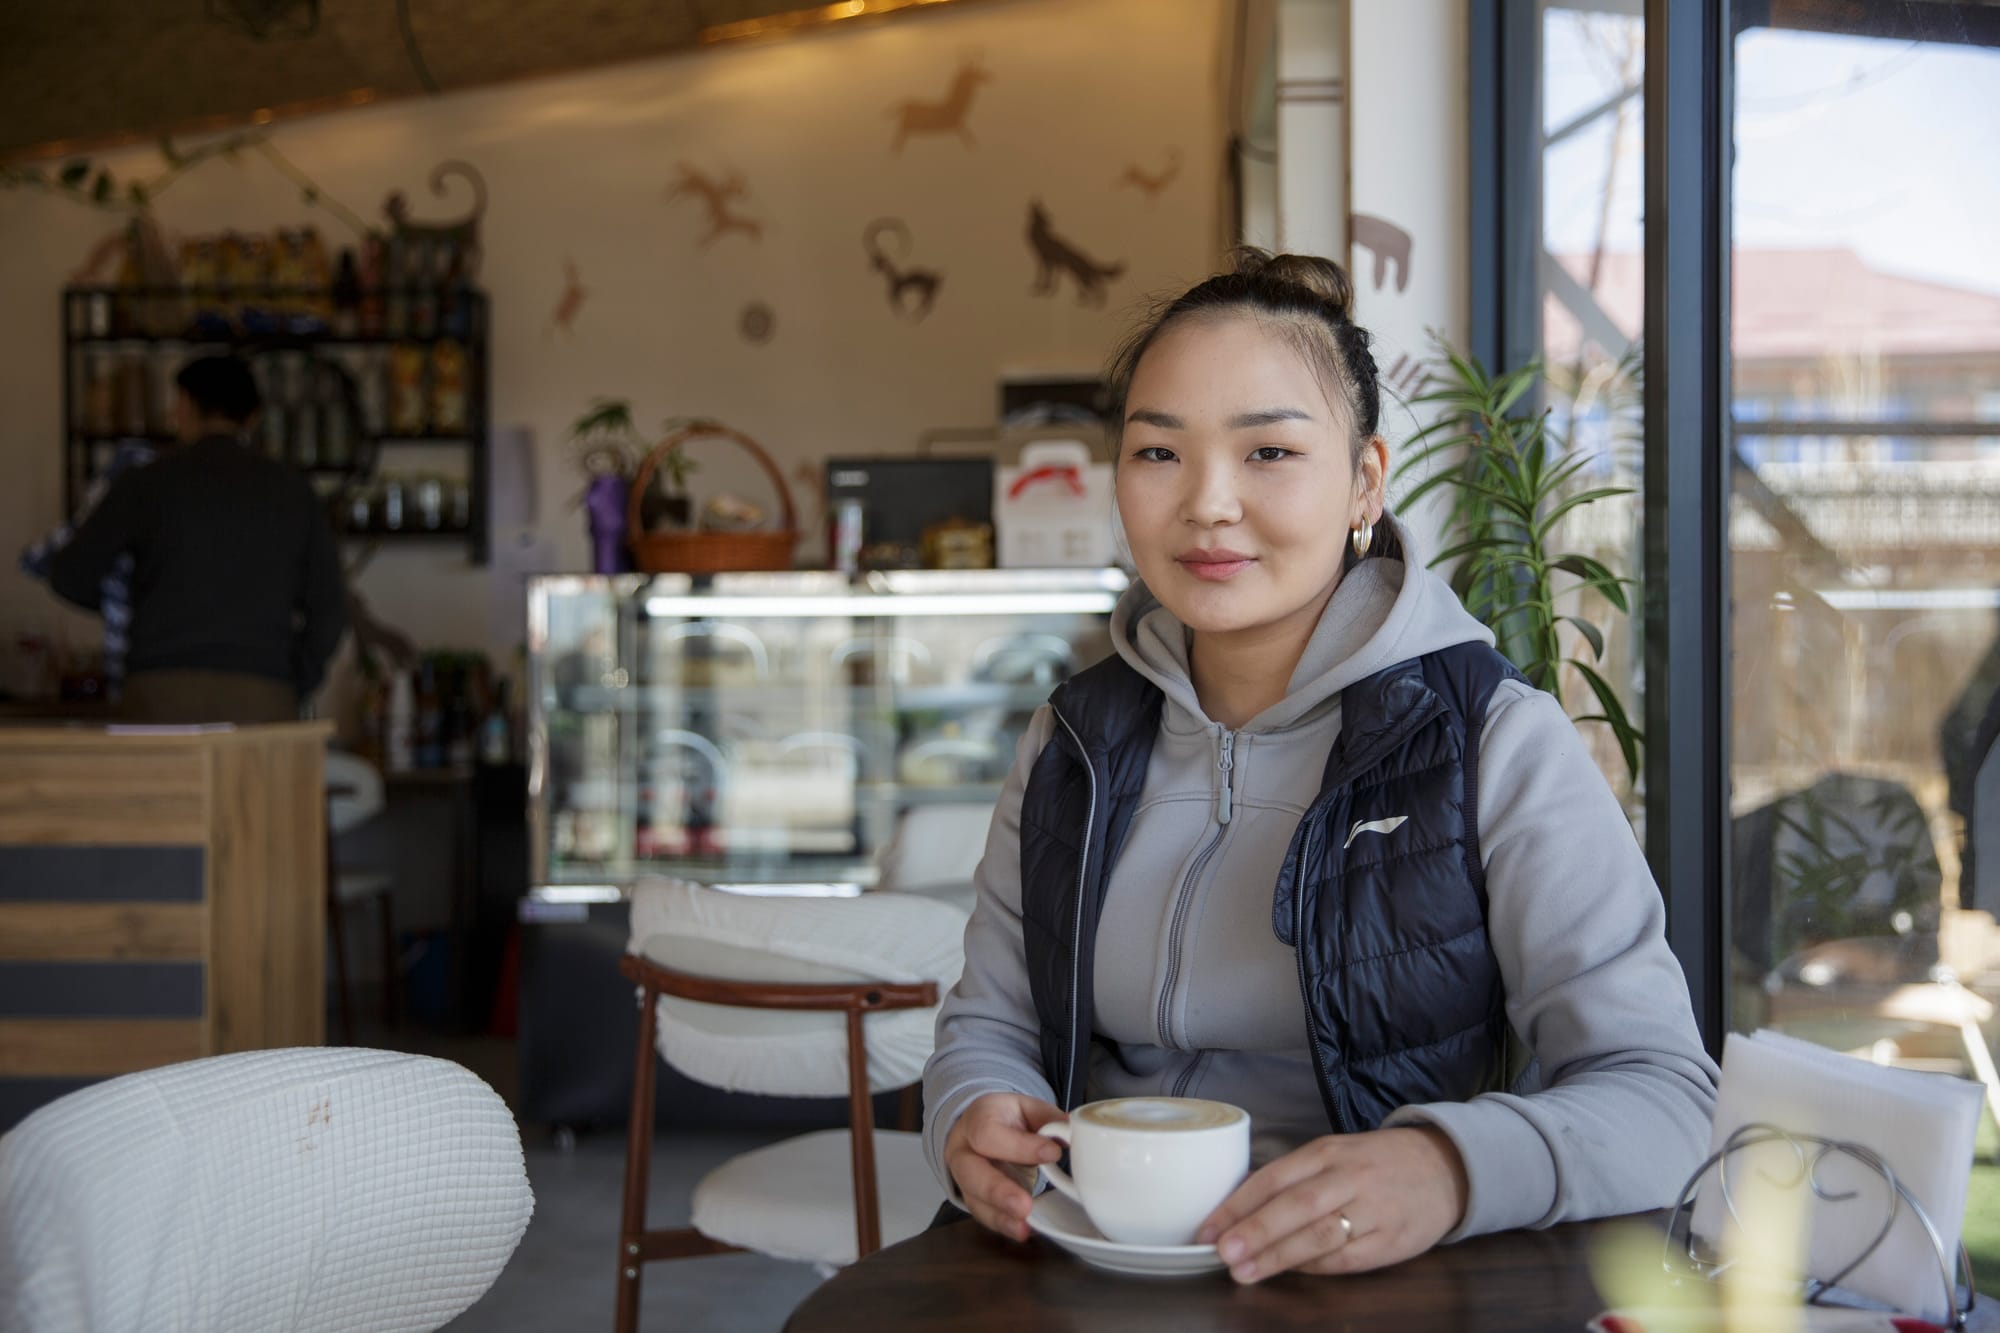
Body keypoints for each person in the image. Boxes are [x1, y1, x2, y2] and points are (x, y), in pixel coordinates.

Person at [922, 249, 1719, 1282]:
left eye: (1268, 452)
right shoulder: (1073, 738)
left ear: (1365, 481)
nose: (1207, 503)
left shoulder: (1491, 738)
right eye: (1158, 452)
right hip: (1089, 1268)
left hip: (1371, 1287)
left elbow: (1666, 1095)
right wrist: (969, 1108)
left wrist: (1447, 1167)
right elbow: (990, 1022)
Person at [45, 354, 347, 724]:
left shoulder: (146, 483)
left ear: (184, 406)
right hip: (262, 690)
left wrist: (135, 607)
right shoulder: (293, 492)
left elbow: (70, 574)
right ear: (253, 417)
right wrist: (295, 677)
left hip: (159, 689)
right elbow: (329, 609)